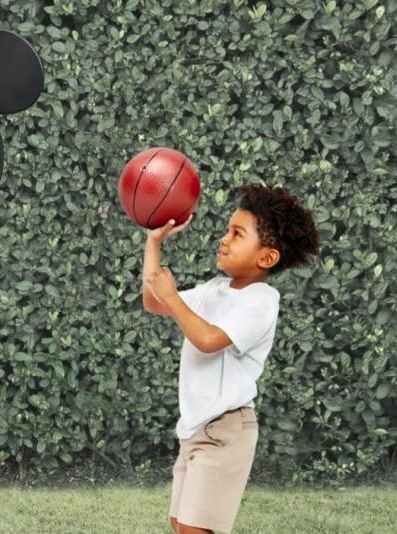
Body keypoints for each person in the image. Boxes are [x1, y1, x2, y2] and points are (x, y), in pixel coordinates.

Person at [142, 184, 321, 533]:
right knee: (180, 523)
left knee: (194, 529)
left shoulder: (261, 300)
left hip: (225, 429)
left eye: (237, 234)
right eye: (228, 230)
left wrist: (172, 296)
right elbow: (154, 302)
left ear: (266, 258)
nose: (224, 240)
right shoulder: (214, 290)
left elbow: (209, 340)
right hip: (196, 427)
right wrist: (153, 243)